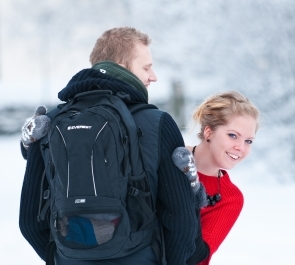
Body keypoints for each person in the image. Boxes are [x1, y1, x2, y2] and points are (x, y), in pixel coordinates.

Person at [18, 27, 208, 265]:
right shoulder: (157, 122)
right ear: (120, 64)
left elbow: (29, 221)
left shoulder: (50, 122)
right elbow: (180, 220)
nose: (154, 76)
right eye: (146, 67)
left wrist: (65, 257)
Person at [172, 91, 260, 264]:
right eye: (233, 135)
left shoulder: (230, 198)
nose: (240, 147)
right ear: (208, 132)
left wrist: (194, 196)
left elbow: (195, 256)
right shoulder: (169, 155)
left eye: (248, 141)